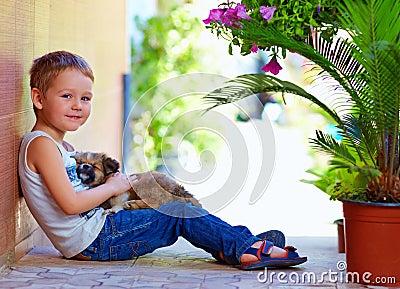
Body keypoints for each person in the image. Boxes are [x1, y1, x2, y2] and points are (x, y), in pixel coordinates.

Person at [18, 50, 307, 269]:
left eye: (86, 98)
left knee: (169, 198)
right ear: (39, 99)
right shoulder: (41, 146)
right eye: (67, 96)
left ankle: (233, 242)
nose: (78, 106)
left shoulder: (62, 146)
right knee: (177, 213)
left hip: (100, 231)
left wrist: (125, 186)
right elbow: (69, 205)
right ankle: (243, 247)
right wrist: (113, 187)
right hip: (96, 241)